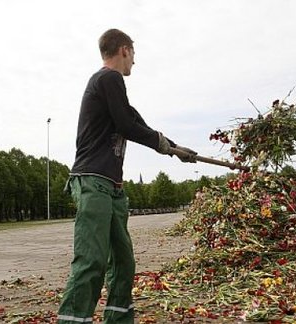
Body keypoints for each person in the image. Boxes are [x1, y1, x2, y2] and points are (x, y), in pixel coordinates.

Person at [57, 29, 197, 324]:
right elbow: (126, 124)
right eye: (133, 54)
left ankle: (119, 319)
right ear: (124, 50)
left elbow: (134, 120)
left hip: (112, 187)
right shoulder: (108, 78)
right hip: (92, 181)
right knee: (92, 261)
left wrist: (175, 148)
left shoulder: (112, 87)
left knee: (123, 260)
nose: (134, 61)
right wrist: (164, 146)